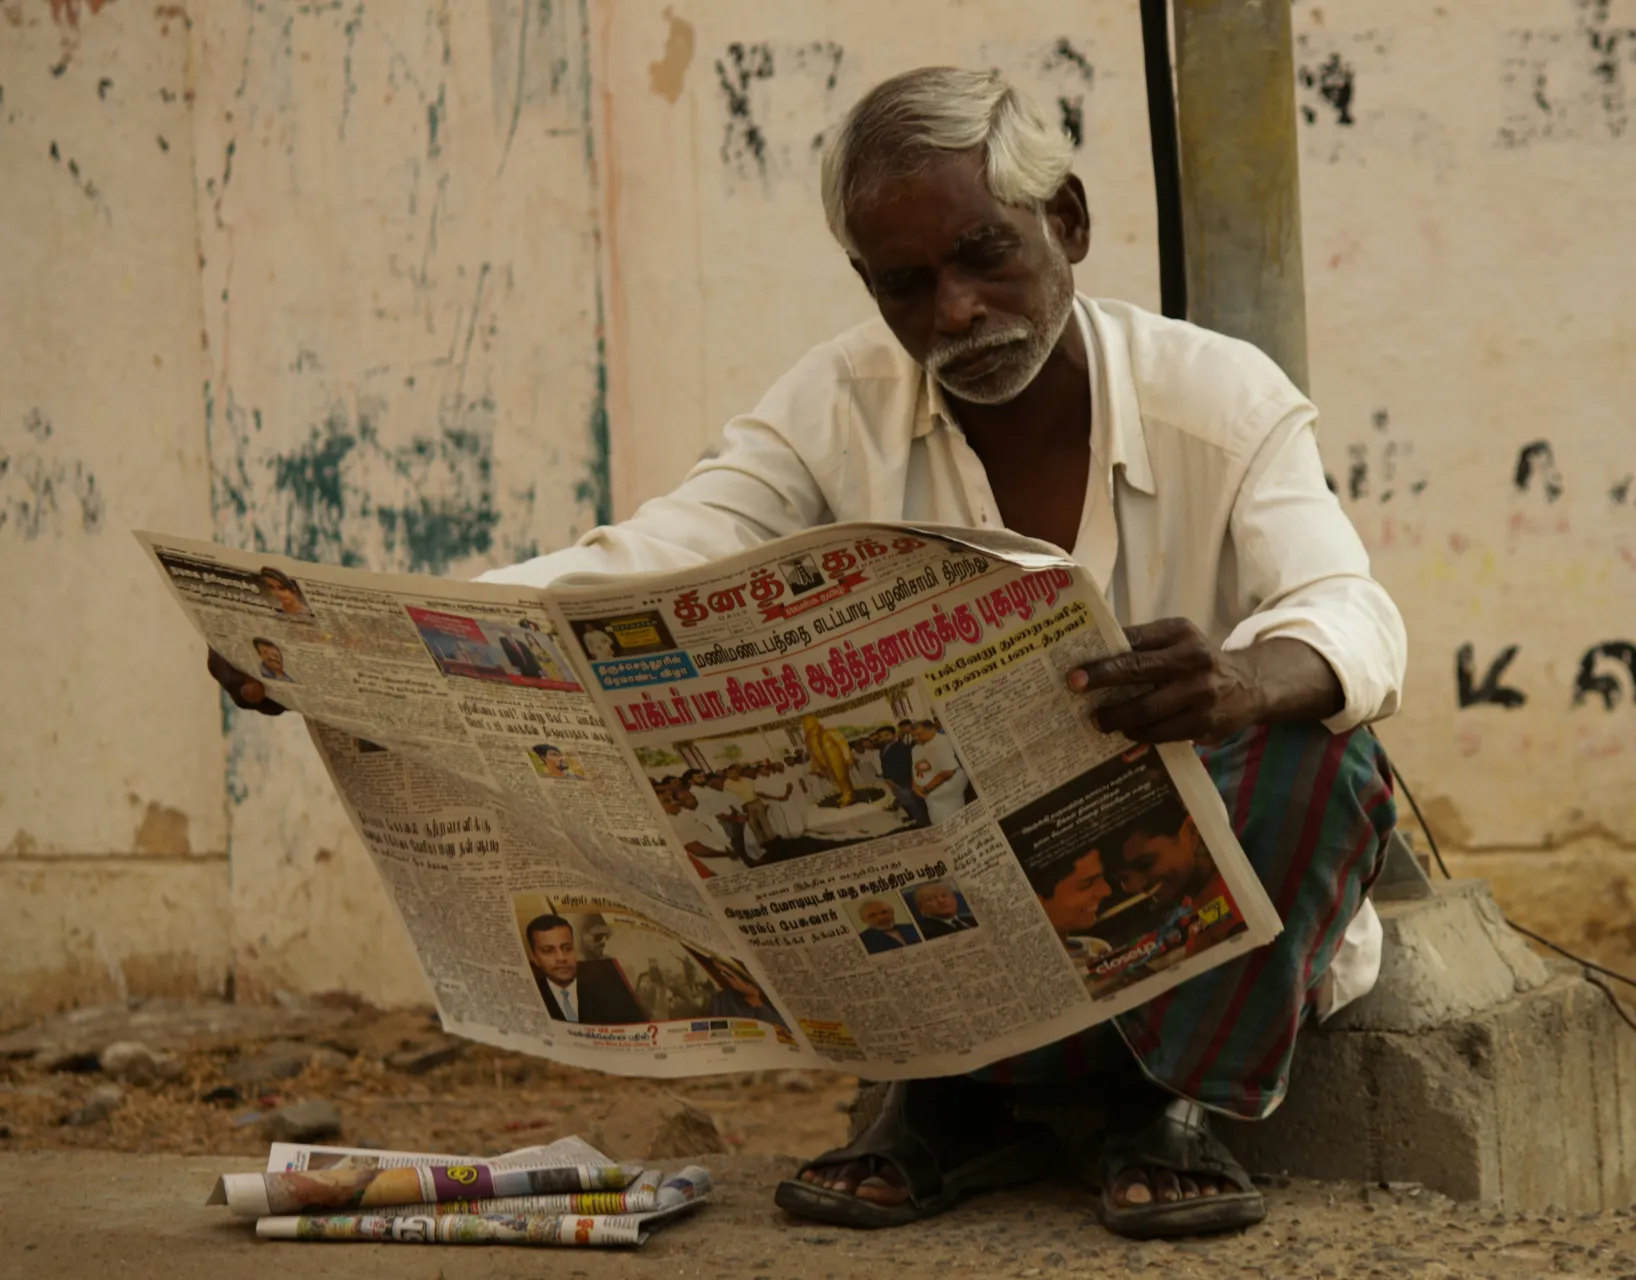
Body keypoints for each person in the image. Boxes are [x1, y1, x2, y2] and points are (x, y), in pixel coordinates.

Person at [206, 66, 1404, 1240]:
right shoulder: (834, 406)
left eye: (986, 255)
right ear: (867, 286)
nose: (956, 314)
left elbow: (1348, 606)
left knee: (1321, 754)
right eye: (907, 284)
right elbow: (653, 556)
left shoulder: (1221, 398)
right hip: (955, 904)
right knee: (779, 796)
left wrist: (1241, 683)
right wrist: (355, 643)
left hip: (1157, 900)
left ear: (1069, 222)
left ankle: (1161, 1106)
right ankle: (940, 1094)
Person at [1107, 806, 1242, 958]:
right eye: (1122, 879)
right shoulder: (1197, 899)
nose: (1135, 887)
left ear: (1192, 832)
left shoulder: (1230, 899)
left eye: (1146, 863)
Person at [524, 914, 648, 1025]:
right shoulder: (530, 997)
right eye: (548, 951)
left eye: (567, 948)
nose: (561, 958)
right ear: (534, 958)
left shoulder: (610, 985)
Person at [704, 956, 790, 1030]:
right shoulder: (720, 1001)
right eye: (721, 972)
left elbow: (785, 1032)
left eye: (727, 974)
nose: (724, 977)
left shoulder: (775, 996)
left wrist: (755, 1000)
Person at [909, 721, 971, 824]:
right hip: (929, 795)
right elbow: (915, 768)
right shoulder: (916, 748)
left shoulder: (942, 743)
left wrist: (926, 788)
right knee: (937, 820)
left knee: (952, 820)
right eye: (913, 736)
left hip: (945, 793)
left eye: (919, 734)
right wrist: (915, 785)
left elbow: (948, 772)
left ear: (932, 730)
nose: (915, 738)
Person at [875, 723, 930, 826]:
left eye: (886, 735)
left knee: (914, 805)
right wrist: (888, 779)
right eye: (881, 736)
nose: (883, 738)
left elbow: (906, 766)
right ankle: (917, 819)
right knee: (907, 803)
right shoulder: (883, 749)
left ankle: (925, 825)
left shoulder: (901, 748)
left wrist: (897, 782)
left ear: (894, 735)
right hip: (895, 783)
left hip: (904, 783)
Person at [909, 881, 978, 939]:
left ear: (954, 899)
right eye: (930, 899)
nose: (940, 900)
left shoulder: (972, 919)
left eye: (944, 895)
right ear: (921, 907)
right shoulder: (925, 931)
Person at [855, 899, 921, 954]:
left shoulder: (912, 927)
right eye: (873, 915)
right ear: (863, 919)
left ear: (892, 912)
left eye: (884, 912)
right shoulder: (862, 941)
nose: (881, 917)